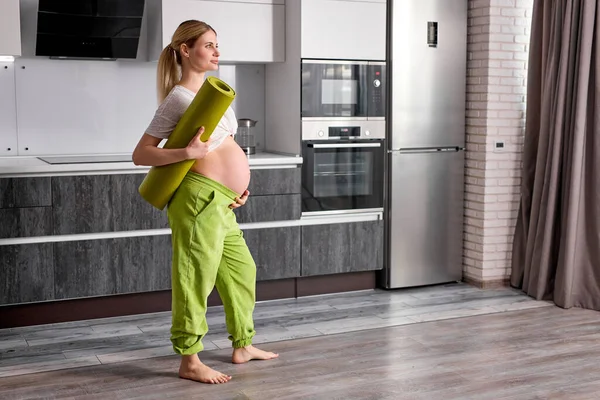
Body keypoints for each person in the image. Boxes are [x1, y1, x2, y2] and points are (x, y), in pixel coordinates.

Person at [132, 19, 278, 385]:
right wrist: (185, 151)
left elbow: (225, 147)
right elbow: (141, 154)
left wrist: (238, 187)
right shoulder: (178, 99)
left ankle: (242, 344)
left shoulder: (215, 96)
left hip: (222, 201)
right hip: (198, 199)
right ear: (185, 50)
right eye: (209, 44)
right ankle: (190, 359)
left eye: (217, 44)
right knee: (194, 279)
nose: (217, 51)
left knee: (242, 271)